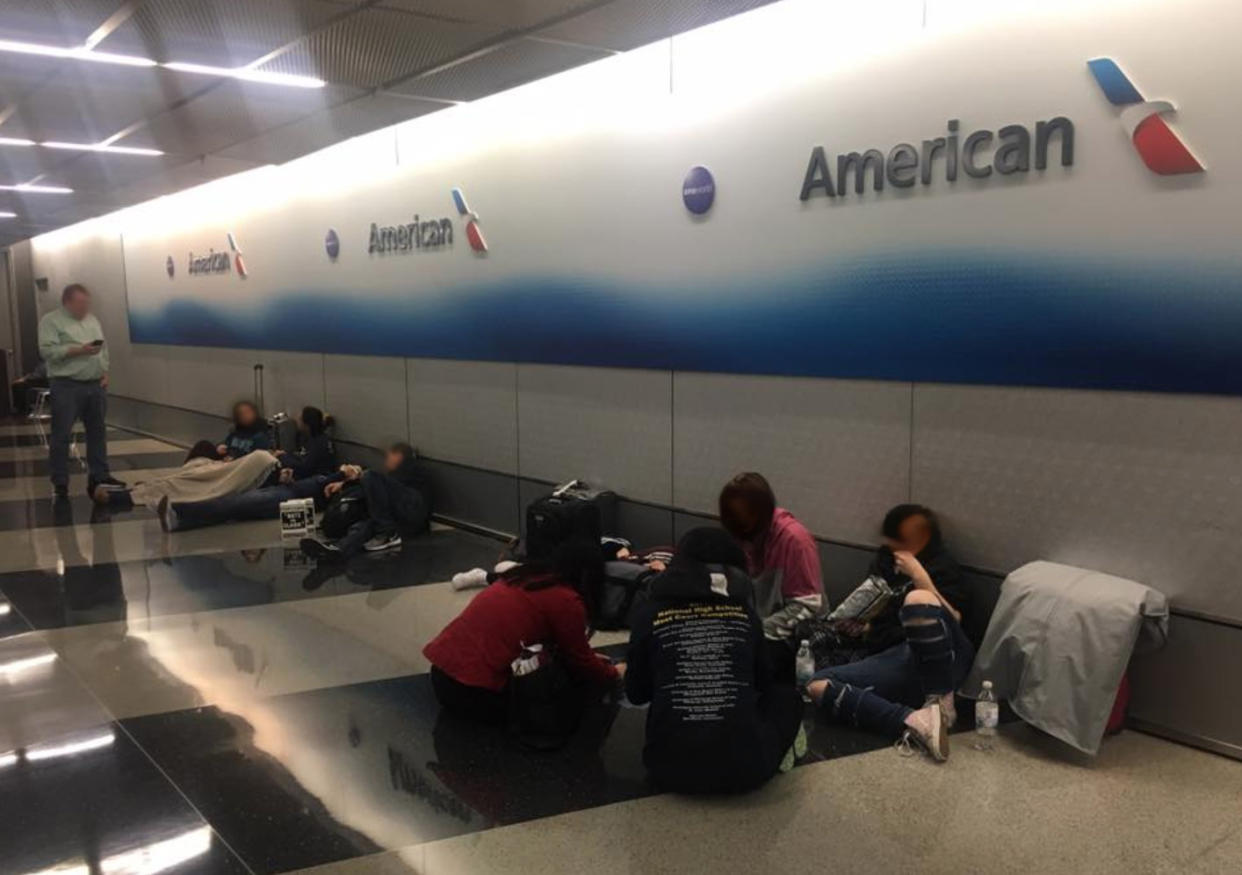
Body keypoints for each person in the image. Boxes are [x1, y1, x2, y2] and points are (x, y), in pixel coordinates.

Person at [625, 527, 807, 794]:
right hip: (747, 770)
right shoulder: (744, 613)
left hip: (665, 768)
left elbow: (637, 694)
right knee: (787, 697)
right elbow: (763, 684)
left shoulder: (648, 613)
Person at [806, 504, 974, 762]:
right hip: (900, 655)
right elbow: (880, 624)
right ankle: (914, 720)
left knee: (919, 598)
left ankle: (941, 704)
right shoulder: (884, 562)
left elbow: (955, 619)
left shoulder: (942, 566)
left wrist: (920, 576)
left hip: (946, 656)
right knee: (818, 685)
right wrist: (862, 626)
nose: (896, 545)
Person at [423, 539, 622, 725]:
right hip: (472, 692)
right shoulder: (566, 599)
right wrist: (614, 672)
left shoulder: (521, 576)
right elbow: (580, 660)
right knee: (575, 689)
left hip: (441, 676)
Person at [37, 283, 124, 498]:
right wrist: (79, 350)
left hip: (95, 385)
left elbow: (103, 349)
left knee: (97, 432)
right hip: (67, 385)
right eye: (80, 303)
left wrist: (105, 371)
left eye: (87, 303)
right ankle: (60, 481)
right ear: (67, 302)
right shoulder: (51, 321)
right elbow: (47, 351)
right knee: (62, 434)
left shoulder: (92, 320)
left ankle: (99, 475)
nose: (85, 307)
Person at [719, 473, 824, 647]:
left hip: (792, 639)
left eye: (742, 517)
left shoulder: (795, 541)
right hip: (749, 628)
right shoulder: (739, 534)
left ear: (761, 513)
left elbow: (807, 607)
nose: (736, 524)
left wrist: (751, 630)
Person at [298, 442, 430, 558]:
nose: (386, 461)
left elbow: (380, 486)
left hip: (414, 506)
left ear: (398, 455)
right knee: (367, 525)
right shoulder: (394, 478)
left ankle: (387, 533)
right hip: (406, 520)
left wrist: (348, 483)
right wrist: (345, 485)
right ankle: (339, 549)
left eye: (389, 456)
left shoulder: (411, 470)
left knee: (370, 476)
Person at [95, 441, 277, 509]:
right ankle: (136, 491)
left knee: (178, 484)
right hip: (224, 467)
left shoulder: (265, 458)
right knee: (184, 478)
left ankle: (121, 496)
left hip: (225, 472)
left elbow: (248, 465)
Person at [275, 406, 336, 479]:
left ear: (307, 424)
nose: (298, 421)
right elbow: (302, 457)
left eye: (300, 419)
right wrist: (285, 454)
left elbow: (305, 467)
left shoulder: (319, 443)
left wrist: (282, 457)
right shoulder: (315, 438)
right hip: (312, 475)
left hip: (318, 479)